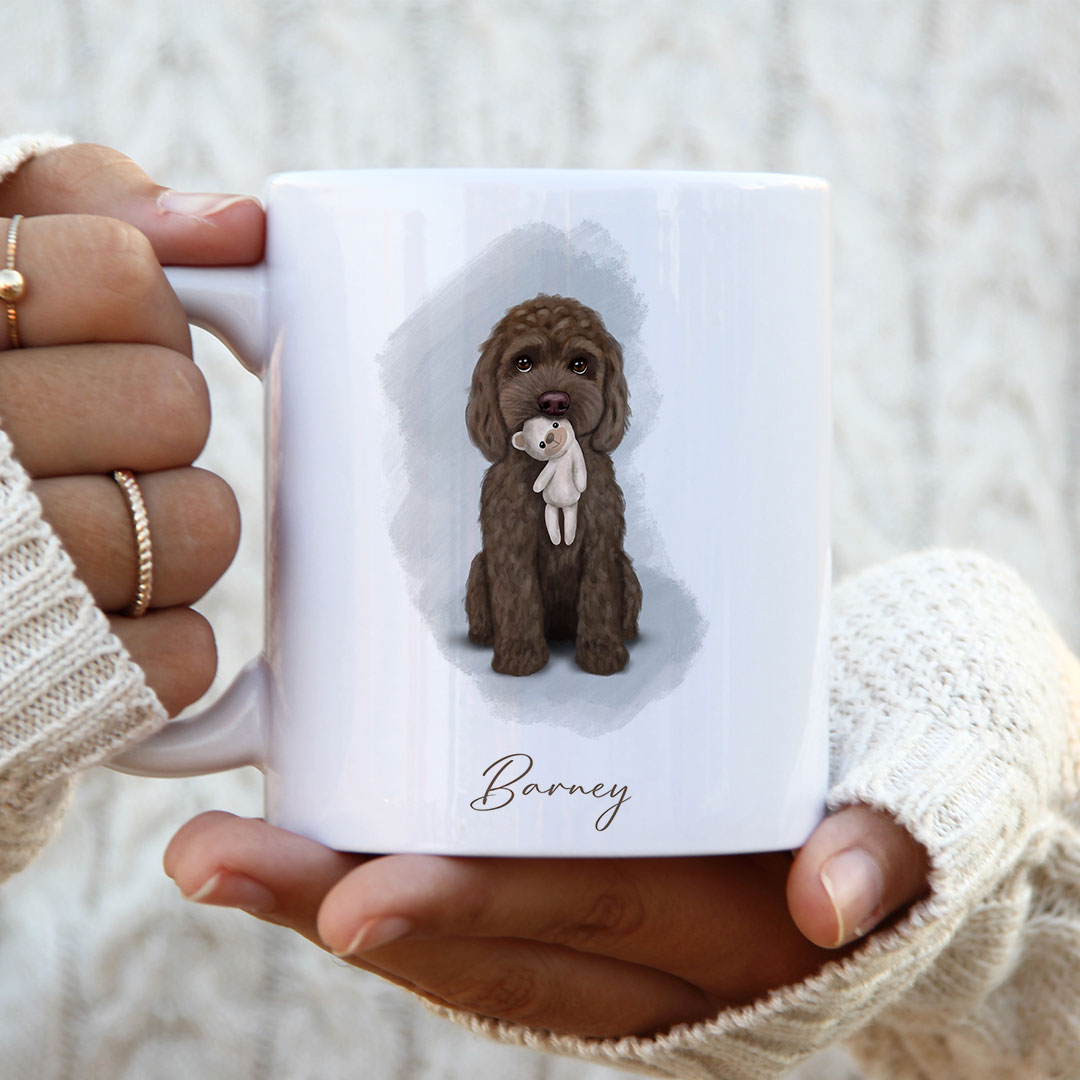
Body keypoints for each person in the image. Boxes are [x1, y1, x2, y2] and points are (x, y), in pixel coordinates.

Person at [1, 136, 1078, 1079]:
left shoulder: (598, 475)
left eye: (578, 366)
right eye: (527, 366)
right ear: (491, 389)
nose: (553, 386)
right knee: (496, 578)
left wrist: (1003, 914)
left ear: (608, 384)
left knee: (605, 575)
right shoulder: (496, 476)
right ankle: (521, 648)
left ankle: (592, 644)